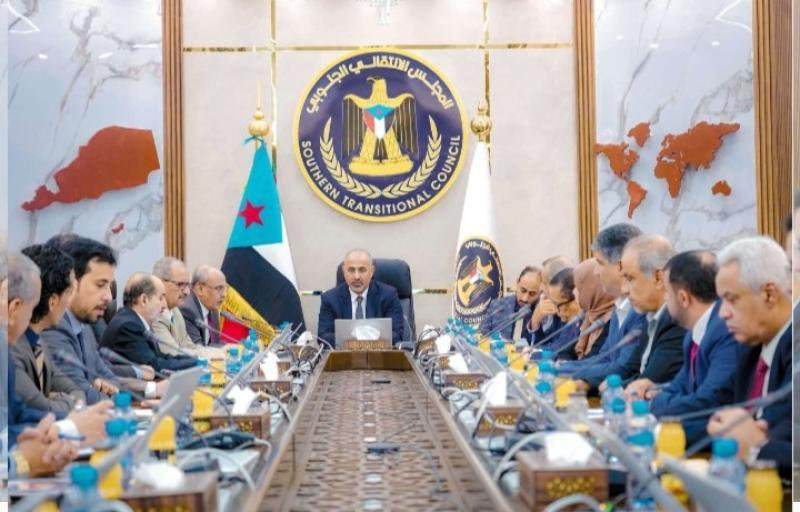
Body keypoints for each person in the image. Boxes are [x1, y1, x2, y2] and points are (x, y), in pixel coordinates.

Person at [625, 251, 738, 443]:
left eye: (667, 294)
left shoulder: (724, 330)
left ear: (683, 298)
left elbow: (709, 399)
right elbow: (680, 384)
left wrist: (651, 404)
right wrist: (656, 394)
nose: (665, 300)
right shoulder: (693, 331)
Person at [707, 236, 792, 480]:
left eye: (731, 299)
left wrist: (757, 446)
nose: (722, 313)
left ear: (769, 294)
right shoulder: (749, 347)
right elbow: (715, 407)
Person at [39, 236, 150, 403]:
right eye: (100, 285)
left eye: (109, 286)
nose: (109, 297)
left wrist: (100, 389)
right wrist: (102, 392)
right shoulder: (52, 325)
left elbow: (109, 378)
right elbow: (80, 395)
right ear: (71, 281)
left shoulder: (84, 326)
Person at [565, 224, 648, 389]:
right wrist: (557, 368)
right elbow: (603, 358)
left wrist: (559, 371)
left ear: (621, 266)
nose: (596, 272)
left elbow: (623, 368)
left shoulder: (642, 310)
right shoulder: (619, 307)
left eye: (600, 263)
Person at [601, 235, 686, 388]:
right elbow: (631, 368)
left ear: (659, 278)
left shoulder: (677, 321)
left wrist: (615, 387)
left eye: (630, 279)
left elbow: (650, 380)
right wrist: (587, 382)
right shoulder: (650, 315)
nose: (624, 289)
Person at [13, 245, 85, 416]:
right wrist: (62, 400)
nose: (69, 302)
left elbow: (77, 392)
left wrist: (56, 398)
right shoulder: (12, 349)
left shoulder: (39, 343)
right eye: (69, 293)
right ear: (52, 301)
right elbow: (42, 409)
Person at [101, 273, 197, 372]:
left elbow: (162, 357)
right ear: (144, 300)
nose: (164, 305)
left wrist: (196, 360)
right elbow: (154, 366)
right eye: (161, 298)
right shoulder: (128, 326)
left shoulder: (136, 321)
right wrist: (196, 363)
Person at [318, 249, 404, 344]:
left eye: (362, 270)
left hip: (379, 352)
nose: (356, 277)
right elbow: (323, 337)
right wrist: (359, 341)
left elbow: (397, 334)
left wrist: (358, 340)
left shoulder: (389, 295)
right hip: (343, 353)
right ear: (344, 271)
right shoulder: (330, 299)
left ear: (371, 271)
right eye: (351, 270)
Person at [151, 256, 205, 356]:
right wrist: (210, 355)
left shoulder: (176, 311)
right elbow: (173, 354)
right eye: (180, 284)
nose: (187, 292)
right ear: (160, 282)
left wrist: (217, 352)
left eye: (187, 285)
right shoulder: (154, 315)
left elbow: (189, 346)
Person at [479, 266, 541, 342]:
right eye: (523, 290)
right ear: (517, 282)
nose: (525, 298)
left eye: (532, 294)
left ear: (540, 292)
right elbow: (481, 335)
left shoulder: (544, 315)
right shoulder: (497, 305)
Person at [572, 258, 616, 359]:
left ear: (591, 287)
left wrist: (560, 365)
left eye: (578, 286)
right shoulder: (589, 316)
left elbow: (593, 359)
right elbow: (566, 351)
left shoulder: (613, 319)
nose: (574, 292)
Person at [180, 265, 228, 345]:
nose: (224, 295)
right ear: (200, 289)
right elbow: (197, 348)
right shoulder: (187, 310)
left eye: (225, 289)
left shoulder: (213, 309)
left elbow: (216, 344)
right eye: (219, 288)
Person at [529, 255, 572, 344]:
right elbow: (547, 343)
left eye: (544, 283)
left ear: (558, 282)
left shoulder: (570, 310)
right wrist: (535, 321)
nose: (540, 288)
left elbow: (558, 348)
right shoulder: (554, 307)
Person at [539, 268, 581, 355]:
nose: (556, 311)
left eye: (557, 305)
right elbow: (557, 345)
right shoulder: (572, 320)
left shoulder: (592, 321)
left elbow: (563, 351)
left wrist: (535, 353)